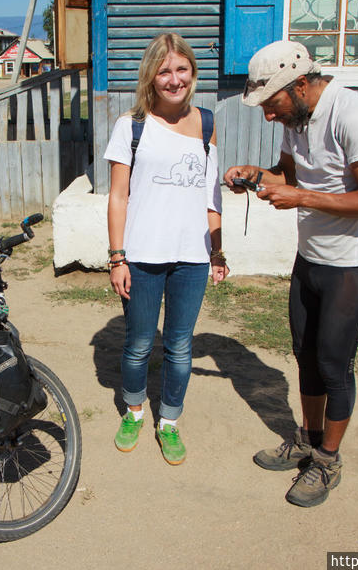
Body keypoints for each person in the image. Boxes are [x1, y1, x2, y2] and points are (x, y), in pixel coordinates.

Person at [224, 40, 358, 507]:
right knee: (305, 355)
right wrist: (255, 176)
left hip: (351, 264)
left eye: (271, 105)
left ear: (299, 85)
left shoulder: (351, 117)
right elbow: (289, 176)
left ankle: (327, 461)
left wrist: (302, 199)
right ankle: (308, 438)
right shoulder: (297, 117)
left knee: (335, 366)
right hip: (311, 258)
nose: (268, 117)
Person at [104, 32, 229, 466]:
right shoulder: (131, 125)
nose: (174, 79)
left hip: (192, 258)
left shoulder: (208, 123)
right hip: (140, 255)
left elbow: (211, 194)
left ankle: (169, 421)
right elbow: (118, 196)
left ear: (192, 72)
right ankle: (135, 411)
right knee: (139, 343)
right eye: (164, 71)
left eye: (181, 69)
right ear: (151, 76)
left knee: (179, 345)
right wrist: (117, 257)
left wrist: (217, 252)